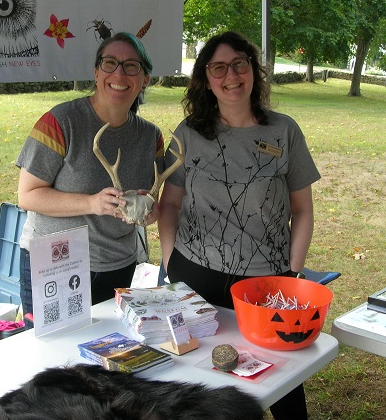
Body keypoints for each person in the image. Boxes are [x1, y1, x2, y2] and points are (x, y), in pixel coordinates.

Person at [158, 31, 320, 420]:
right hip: (195, 272)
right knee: (195, 377)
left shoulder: (284, 131)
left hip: (267, 281)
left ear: (253, 70)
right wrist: (170, 264)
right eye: (218, 68)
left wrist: (292, 273)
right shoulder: (188, 134)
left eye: (239, 64)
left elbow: (302, 210)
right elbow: (169, 203)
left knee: (281, 380)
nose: (231, 76)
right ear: (205, 78)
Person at [16, 32, 164, 328]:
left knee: (109, 351)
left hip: (119, 265)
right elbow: (28, 196)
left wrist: (146, 212)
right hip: (58, 264)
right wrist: (92, 203)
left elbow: (153, 208)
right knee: (57, 356)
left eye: (131, 66)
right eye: (110, 63)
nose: (119, 73)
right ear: (97, 73)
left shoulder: (151, 137)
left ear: (145, 79)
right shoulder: (61, 122)